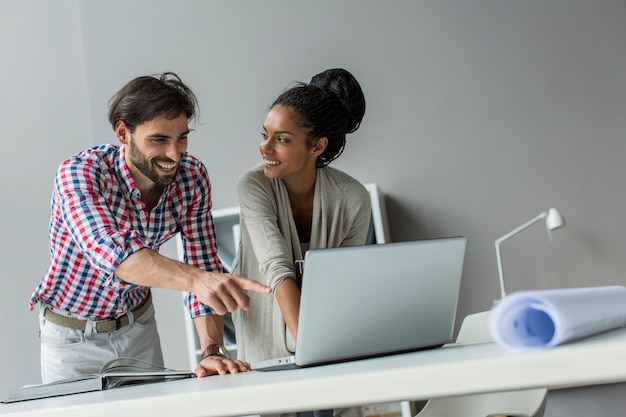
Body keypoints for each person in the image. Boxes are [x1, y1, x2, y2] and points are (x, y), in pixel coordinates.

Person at [29, 72, 271, 384]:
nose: (174, 155)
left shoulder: (192, 178)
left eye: (181, 137)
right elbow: (115, 257)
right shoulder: (80, 174)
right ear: (123, 133)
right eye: (159, 139)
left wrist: (212, 349)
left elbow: (203, 263)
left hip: (138, 329)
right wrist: (198, 280)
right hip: (72, 339)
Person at [231, 68, 371, 417]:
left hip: (330, 349)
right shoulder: (254, 186)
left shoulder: (352, 198)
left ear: (317, 146)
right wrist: (312, 350)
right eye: (265, 135)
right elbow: (276, 267)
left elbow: (346, 284)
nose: (264, 147)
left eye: (282, 139)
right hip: (267, 349)